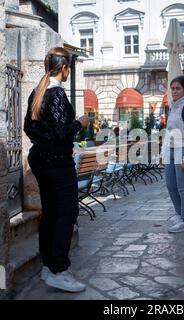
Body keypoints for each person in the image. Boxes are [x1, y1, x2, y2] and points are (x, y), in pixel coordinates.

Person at [24, 47, 90, 293]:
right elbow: (62, 132)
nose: (69, 72)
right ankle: (59, 270)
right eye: (68, 68)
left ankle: (49, 266)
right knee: (67, 213)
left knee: (51, 214)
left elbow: (29, 128)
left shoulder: (38, 92)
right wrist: (79, 123)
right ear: (63, 69)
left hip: (40, 160)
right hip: (57, 163)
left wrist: (48, 138)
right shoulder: (57, 94)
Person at [161, 76, 184, 233]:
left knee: (182, 187)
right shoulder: (172, 107)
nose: (175, 91)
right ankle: (179, 214)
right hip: (170, 150)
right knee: (171, 185)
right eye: (173, 88)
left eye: (178, 88)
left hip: (183, 149)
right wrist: (163, 154)